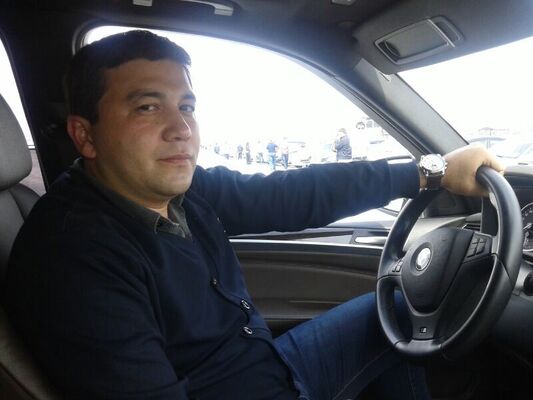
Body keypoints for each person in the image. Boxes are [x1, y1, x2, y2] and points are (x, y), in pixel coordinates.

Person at [3, 30, 504, 400]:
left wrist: (430, 173)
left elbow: (289, 193)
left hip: (271, 364)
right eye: (148, 108)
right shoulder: (73, 259)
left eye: (186, 106)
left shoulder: (177, 190)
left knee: (395, 309)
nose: (181, 128)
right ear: (85, 135)